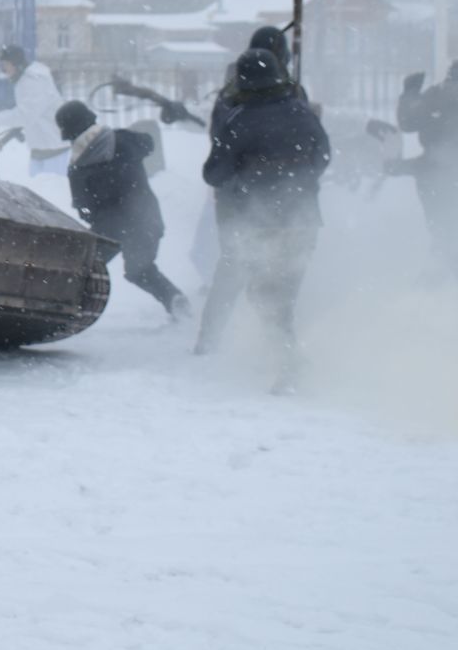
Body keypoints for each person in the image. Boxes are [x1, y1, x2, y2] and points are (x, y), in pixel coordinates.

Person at [197, 48, 332, 385]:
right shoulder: (302, 112)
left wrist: (252, 179)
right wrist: (296, 183)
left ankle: (290, 365)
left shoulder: (239, 120)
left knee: (265, 296)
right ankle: (288, 360)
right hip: (302, 220)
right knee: (283, 294)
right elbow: (323, 157)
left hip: (260, 223)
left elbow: (214, 174)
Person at [194, 24, 303, 349]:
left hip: (241, 195)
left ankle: (211, 338)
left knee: (234, 267)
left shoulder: (233, 90)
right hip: (267, 198)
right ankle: (278, 342)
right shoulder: (283, 93)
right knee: (259, 269)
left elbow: (220, 146)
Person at [56, 100, 189, 319]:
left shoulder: (79, 166)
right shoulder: (124, 139)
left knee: (84, 269)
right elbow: (148, 143)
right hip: (147, 218)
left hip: (110, 229)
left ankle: (63, 310)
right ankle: (173, 299)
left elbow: (83, 208)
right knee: (141, 270)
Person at [391, 53, 458, 282]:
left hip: (434, 179)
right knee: (451, 237)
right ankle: (448, 288)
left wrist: (409, 93)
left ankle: (435, 289)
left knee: (445, 237)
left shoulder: (438, 94)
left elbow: (408, 122)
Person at [0, 44, 65, 175]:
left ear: (15, 63)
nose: (3, 70)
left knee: (50, 191)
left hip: (53, 151)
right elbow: (32, 111)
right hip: (45, 149)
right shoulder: (27, 79)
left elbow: (26, 115)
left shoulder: (33, 81)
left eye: (5, 64)